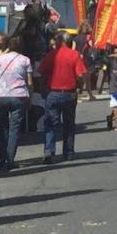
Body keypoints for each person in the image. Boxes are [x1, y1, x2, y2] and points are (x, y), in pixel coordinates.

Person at [0, 34, 34, 171]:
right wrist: (29, 97)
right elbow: (29, 82)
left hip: (1, 96)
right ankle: (10, 160)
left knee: (3, 128)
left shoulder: (0, 59)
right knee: (14, 129)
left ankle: (1, 159)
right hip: (18, 96)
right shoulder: (25, 60)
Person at [38, 32, 89, 164]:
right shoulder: (74, 55)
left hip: (53, 92)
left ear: (60, 41)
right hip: (69, 93)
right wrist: (79, 87)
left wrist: (43, 87)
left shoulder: (51, 55)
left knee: (50, 123)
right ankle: (69, 152)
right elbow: (81, 75)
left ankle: (49, 151)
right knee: (69, 124)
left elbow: (41, 72)